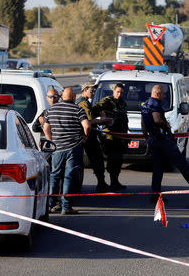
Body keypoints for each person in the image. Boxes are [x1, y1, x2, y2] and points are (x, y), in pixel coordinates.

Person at [141, 85, 189, 198]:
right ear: (157, 93)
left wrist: (146, 137)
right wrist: (166, 125)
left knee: (158, 169)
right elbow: (157, 120)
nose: (165, 95)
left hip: (153, 139)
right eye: (163, 93)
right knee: (181, 162)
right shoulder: (155, 104)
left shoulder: (145, 104)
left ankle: (155, 195)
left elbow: (143, 123)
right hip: (162, 140)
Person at [43, 87, 90, 215]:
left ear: (62, 97)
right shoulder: (78, 109)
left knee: (54, 175)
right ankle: (66, 207)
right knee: (68, 176)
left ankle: (50, 205)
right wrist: (85, 137)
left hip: (57, 148)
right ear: (74, 97)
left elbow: (46, 128)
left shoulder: (51, 110)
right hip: (73, 148)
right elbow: (87, 125)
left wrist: (51, 140)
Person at [76, 82, 113, 192]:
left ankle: (101, 183)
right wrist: (104, 120)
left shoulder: (86, 102)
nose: (93, 93)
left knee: (96, 160)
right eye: (91, 91)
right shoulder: (83, 103)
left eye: (94, 91)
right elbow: (89, 121)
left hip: (86, 135)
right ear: (85, 90)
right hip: (87, 136)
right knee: (97, 160)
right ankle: (101, 184)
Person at [92, 83, 129, 191]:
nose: (119, 94)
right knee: (112, 159)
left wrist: (126, 136)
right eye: (117, 92)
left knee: (118, 160)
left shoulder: (122, 103)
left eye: (121, 92)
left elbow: (125, 120)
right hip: (110, 136)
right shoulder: (108, 101)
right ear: (113, 91)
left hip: (121, 136)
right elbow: (94, 109)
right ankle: (108, 182)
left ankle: (115, 181)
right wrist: (103, 118)